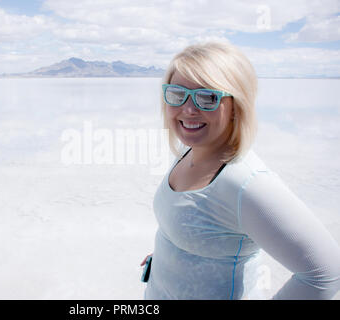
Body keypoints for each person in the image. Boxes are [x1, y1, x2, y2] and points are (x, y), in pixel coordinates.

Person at [140, 41, 340, 300]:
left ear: (236, 106)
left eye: (208, 97)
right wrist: (170, 252)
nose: (188, 109)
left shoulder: (246, 183)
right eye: (178, 94)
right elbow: (198, 225)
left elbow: (325, 272)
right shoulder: (189, 151)